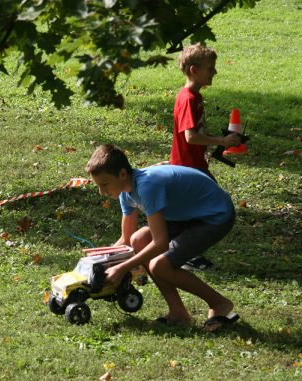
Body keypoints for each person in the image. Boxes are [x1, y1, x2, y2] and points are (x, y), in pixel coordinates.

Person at [85, 144, 239, 332]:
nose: (101, 192)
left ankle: (219, 303)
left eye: (104, 184)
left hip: (215, 216)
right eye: (98, 186)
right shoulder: (125, 192)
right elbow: (126, 239)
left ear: (122, 174)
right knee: (138, 239)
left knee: (160, 265)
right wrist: (98, 263)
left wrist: (122, 267)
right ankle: (178, 313)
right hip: (187, 214)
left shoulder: (147, 187)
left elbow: (160, 243)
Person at [169, 43, 241, 271]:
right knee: (214, 207)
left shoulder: (195, 96)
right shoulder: (188, 98)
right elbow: (190, 137)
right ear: (194, 70)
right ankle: (183, 254)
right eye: (210, 68)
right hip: (188, 167)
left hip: (194, 165)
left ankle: (185, 252)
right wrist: (221, 141)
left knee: (199, 209)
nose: (215, 72)